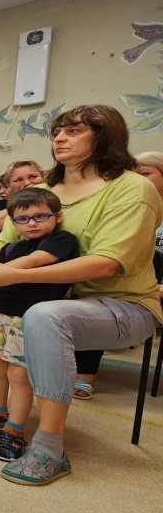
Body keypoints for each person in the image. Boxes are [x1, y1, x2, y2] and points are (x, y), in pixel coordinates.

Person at [0, 105, 162, 486]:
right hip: (38, 293)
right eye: (57, 131)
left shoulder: (133, 188)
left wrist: (8, 274)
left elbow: (105, 263)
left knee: (45, 316)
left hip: (119, 303)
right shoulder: (46, 192)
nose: (59, 138)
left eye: (73, 131)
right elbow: (2, 245)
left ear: (103, 137)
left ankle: (50, 447)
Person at [0, 188, 79, 462]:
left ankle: (15, 429)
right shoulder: (9, 247)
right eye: (23, 219)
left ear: (58, 216)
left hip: (28, 317)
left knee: (19, 374)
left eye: (40, 216)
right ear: (13, 223)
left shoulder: (62, 241)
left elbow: (33, 262)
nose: (32, 223)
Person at [75, 151, 163, 398]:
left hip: (146, 286)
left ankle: (84, 375)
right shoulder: (122, 203)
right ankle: (82, 372)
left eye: (145, 174)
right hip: (117, 279)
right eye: (134, 174)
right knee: (92, 296)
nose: (138, 179)